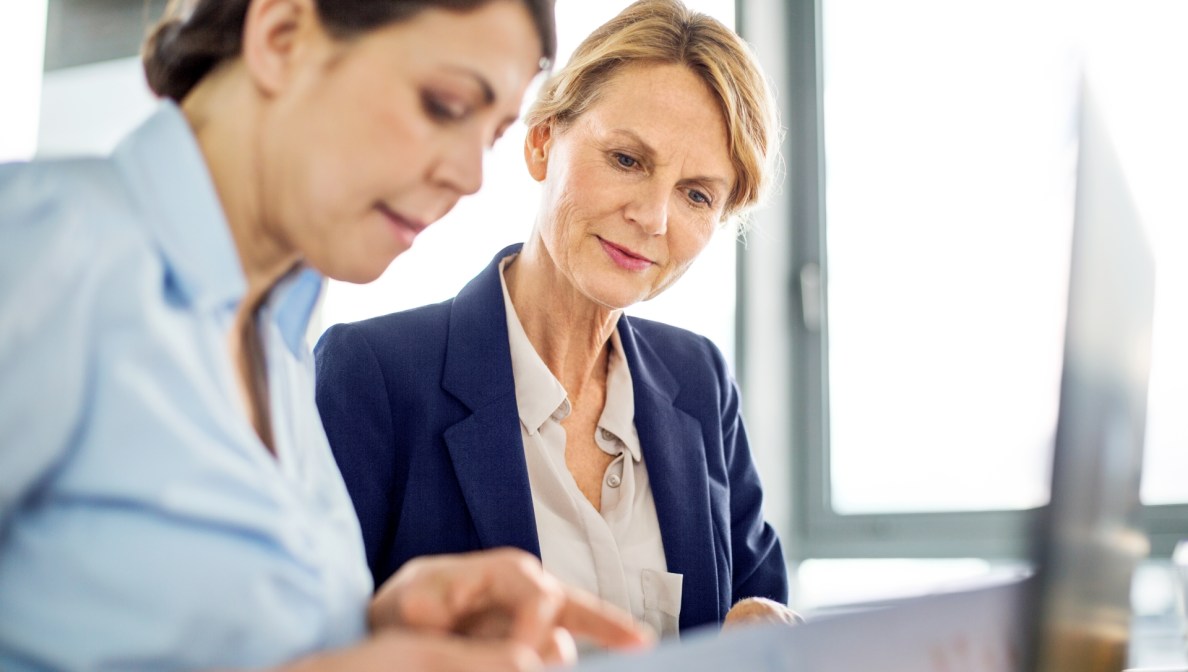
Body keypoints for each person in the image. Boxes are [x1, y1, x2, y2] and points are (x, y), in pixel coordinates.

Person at [0, 0, 653, 670]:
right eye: (444, 104)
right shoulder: (39, 249)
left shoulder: (277, 350)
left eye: (489, 137)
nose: (470, 177)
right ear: (282, 37)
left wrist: (367, 629)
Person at [315, 0, 797, 640]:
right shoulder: (371, 373)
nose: (653, 217)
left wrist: (771, 634)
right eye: (627, 160)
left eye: (697, 194)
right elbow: (305, 643)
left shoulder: (701, 380)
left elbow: (760, 605)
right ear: (542, 140)